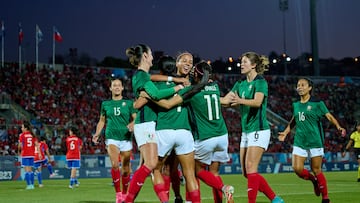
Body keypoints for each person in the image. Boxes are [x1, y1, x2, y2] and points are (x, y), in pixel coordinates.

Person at [145, 61, 234, 203]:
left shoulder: (192, 91)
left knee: (193, 171)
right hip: (222, 135)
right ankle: (219, 194)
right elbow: (220, 101)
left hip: (204, 135)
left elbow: (168, 104)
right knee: (212, 172)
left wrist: (152, 97)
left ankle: (222, 188)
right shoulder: (215, 86)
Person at [123, 44, 184, 203]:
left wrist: (174, 79)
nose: (152, 57)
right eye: (150, 54)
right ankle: (128, 200)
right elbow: (156, 94)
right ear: (144, 56)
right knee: (150, 164)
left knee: (153, 167)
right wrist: (177, 87)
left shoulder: (142, 76)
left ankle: (163, 201)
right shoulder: (142, 76)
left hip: (147, 123)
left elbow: (152, 89)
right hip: (145, 123)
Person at [221, 52, 284, 203]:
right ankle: (275, 199)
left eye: (244, 62)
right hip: (246, 131)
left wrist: (240, 100)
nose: (241, 64)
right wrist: (208, 97)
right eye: (241, 62)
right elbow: (226, 101)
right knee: (246, 172)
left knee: (251, 168)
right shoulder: (240, 84)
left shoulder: (260, 82)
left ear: (254, 65)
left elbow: (257, 102)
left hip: (259, 130)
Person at [278, 77, 346, 203]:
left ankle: (325, 198)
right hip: (300, 141)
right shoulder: (296, 105)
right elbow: (294, 120)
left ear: (310, 88)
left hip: (315, 141)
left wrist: (338, 126)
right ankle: (314, 181)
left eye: (303, 85)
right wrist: (286, 132)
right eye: (298, 85)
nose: (300, 87)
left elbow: (329, 116)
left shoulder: (318, 103)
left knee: (316, 170)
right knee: (297, 169)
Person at [92, 77, 136, 203]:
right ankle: (118, 194)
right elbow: (102, 121)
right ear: (110, 88)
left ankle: (124, 192)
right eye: (114, 85)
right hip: (111, 137)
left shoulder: (128, 103)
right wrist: (97, 133)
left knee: (126, 169)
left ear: (122, 88)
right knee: (115, 164)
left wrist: (133, 123)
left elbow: (135, 117)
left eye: (119, 85)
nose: (116, 87)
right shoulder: (105, 104)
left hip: (126, 138)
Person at [18, 120, 40, 190]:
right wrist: (39, 153)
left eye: (22, 127)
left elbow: (20, 146)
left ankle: (29, 185)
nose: (21, 129)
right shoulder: (32, 135)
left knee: (27, 171)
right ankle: (32, 184)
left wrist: (19, 150)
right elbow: (37, 144)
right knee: (30, 170)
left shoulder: (22, 135)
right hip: (32, 154)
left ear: (26, 128)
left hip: (25, 154)